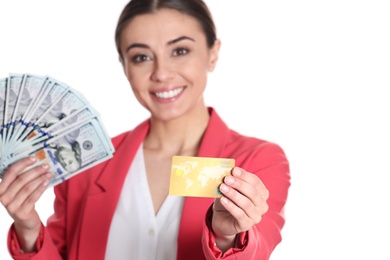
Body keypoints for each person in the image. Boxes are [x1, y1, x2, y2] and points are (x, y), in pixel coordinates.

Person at [0, 0, 291, 259]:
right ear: (125, 66)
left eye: (180, 50)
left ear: (213, 53)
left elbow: (257, 247)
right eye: (141, 57)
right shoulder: (86, 165)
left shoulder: (258, 161)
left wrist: (227, 238)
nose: (162, 73)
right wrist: (28, 228)